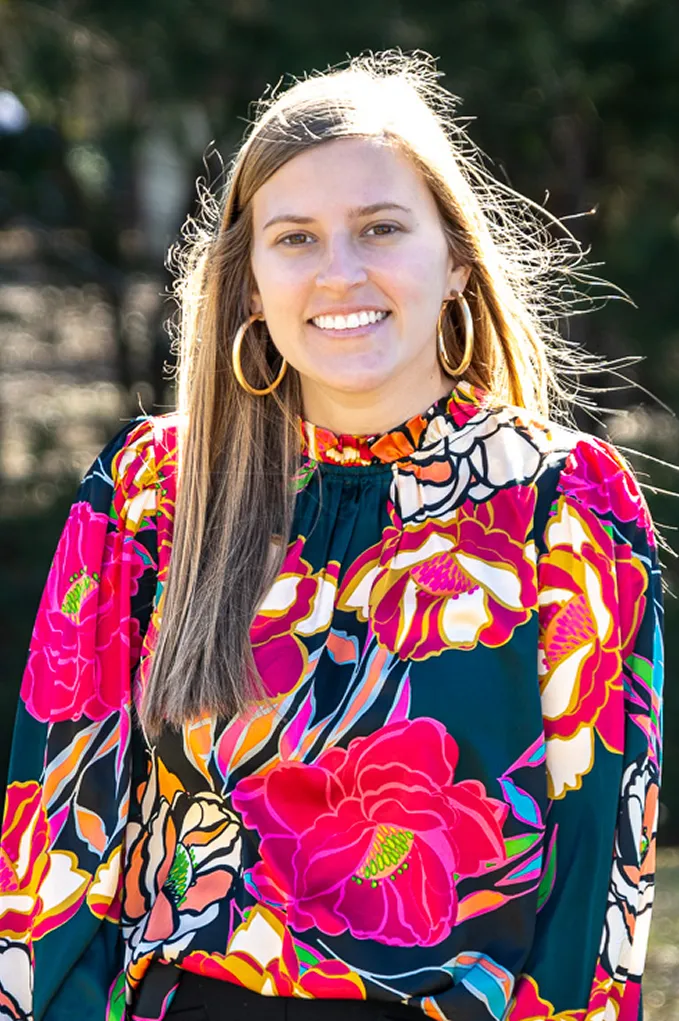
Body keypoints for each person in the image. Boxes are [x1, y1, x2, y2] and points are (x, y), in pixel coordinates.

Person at [0, 50, 664, 1021]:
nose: (339, 271)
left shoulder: (567, 504)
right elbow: (55, 845)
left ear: (455, 262)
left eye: (381, 228)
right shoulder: (148, 496)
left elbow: (596, 888)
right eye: (296, 237)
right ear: (250, 284)